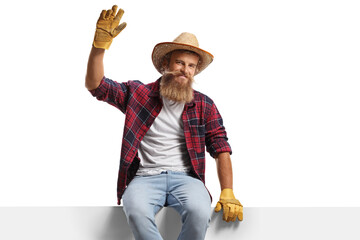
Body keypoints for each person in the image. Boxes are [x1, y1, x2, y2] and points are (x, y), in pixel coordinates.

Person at [85, 5, 243, 240]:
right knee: (137, 212)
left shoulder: (204, 104)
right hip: (145, 178)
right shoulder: (137, 94)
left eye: (191, 66)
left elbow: (221, 148)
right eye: (179, 63)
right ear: (165, 64)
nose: (185, 70)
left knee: (200, 212)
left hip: (187, 179)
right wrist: (99, 48)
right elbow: (96, 85)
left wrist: (228, 191)